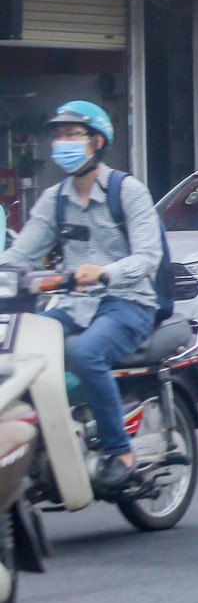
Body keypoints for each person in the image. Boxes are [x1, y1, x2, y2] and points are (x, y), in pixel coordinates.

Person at [0, 101, 162, 488]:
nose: (62, 143)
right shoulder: (55, 199)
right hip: (72, 304)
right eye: (58, 136)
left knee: (84, 352)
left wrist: (106, 272)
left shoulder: (128, 191)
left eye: (72, 135)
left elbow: (148, 257)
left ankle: (119, 450)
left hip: (128, 301)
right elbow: (19, 255)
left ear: (98, 141)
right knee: (17, 348)